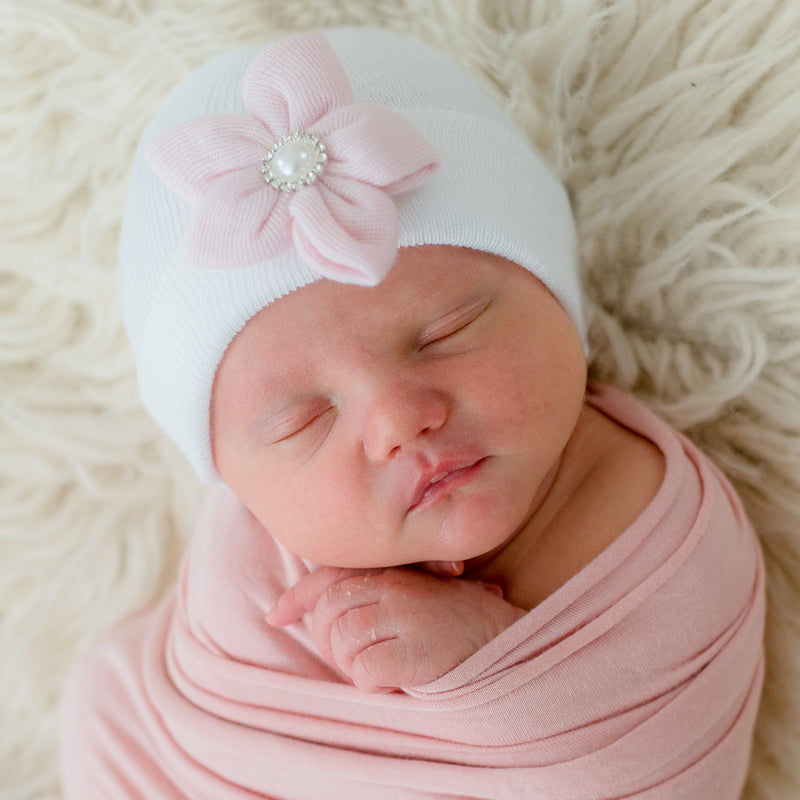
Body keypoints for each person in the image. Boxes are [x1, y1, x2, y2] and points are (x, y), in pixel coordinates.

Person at [60, 27, 765, 799]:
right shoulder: (259, 561)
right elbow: (176, 720)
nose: (398, 421)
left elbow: (659, 758)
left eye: (446, 333)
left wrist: (488, 667)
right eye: (304, 421)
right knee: (101, 699)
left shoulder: (643, 518)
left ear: (555, 300)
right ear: (234, 480)